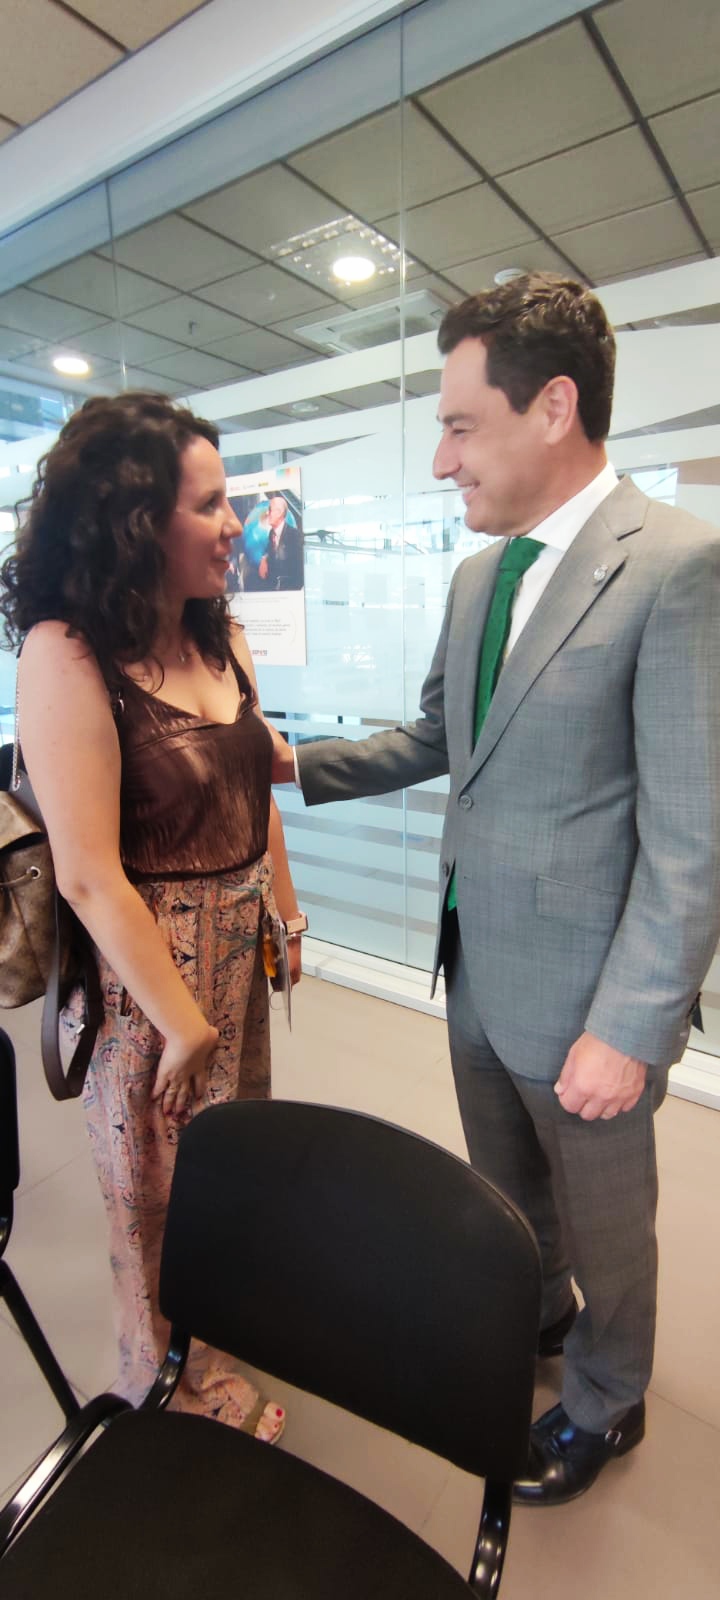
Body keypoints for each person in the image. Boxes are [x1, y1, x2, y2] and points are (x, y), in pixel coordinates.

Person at [272, 274, 720, 1502]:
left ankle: (608, 1398)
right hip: (474, 960)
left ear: (554, 407)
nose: (441, 461)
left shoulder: (677, 567)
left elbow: (693, 836)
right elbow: (440, 737)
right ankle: (542, 1308)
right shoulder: (480, 577)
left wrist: (632, 1027)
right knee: (509, 1189)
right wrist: (295, 763)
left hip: (587, 994)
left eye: (460, 425)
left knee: (609, 1218)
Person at [1, 391, 307, 1439]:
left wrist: (287, 916)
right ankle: (168, 1389)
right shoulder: (67, 653)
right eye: (210, 504)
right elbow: (88, 873)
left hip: (237, 968)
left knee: (230, 1178)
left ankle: (217, 1343)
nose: (234, 525)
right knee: (154, 1199)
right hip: (148, 994)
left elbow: (258, 789)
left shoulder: (219, 634)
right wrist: (182, 1022)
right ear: (134, 521)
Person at [257, 494, 304, 591]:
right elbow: (271, 551)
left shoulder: (295, 536)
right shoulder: (271, 533)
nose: (267, 513)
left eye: (270, 510)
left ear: (279, 512)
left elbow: (299, 572)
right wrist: (264, 558)